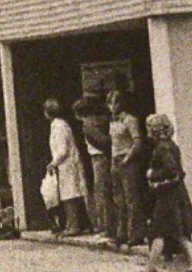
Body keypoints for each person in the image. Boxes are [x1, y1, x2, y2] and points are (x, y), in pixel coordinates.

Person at [132, 113, 192, 272]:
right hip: (177, 193)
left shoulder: (162, 148)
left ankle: (150, 267)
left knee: (158, 231)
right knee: (180, 232)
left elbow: (171, 170)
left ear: (155, 129)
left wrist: (152, 174)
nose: (147, 130)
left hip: (167, 196)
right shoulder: (171, 145)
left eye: (150, 127)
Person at [73, 93, 115, 241]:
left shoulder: (88, 126)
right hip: (103, 157)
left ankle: (106, 228)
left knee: (102, 192)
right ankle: (107, 227)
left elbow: (102, 142)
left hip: (99, 158)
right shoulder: (103, 120)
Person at [44, 98, 88, 236]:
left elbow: (62, 150)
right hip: (65, 164)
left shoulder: (59, 127)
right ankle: (71, 224)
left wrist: (53, 163)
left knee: (70, 195)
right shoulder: (59, 125)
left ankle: (74, 225)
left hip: (67, 164)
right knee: (68, 194)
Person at [107, 90, 145, 250]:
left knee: (131, 198)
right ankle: (120, 233)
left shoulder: (130, 120)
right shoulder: (113, 122)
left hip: (127, 161)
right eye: (109, 103)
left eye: (115, 102)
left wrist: (128, 158)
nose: (112, 106)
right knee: (118, 200)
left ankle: (135, 234)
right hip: (115, 160)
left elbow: (137, 142)